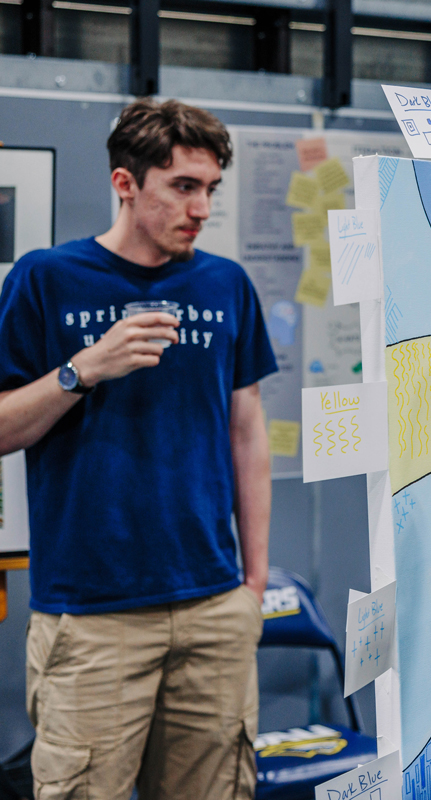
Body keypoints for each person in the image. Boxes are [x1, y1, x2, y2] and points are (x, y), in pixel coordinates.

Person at [0, 99, 277, 799]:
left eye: (210, 188)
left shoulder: (225, 285)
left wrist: (253, 584)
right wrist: (82, 369)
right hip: (92, 616)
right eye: (183, 186)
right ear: (126, 183)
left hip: (215, 605)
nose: (202, 208)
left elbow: (247, 430)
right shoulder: (46, 279)